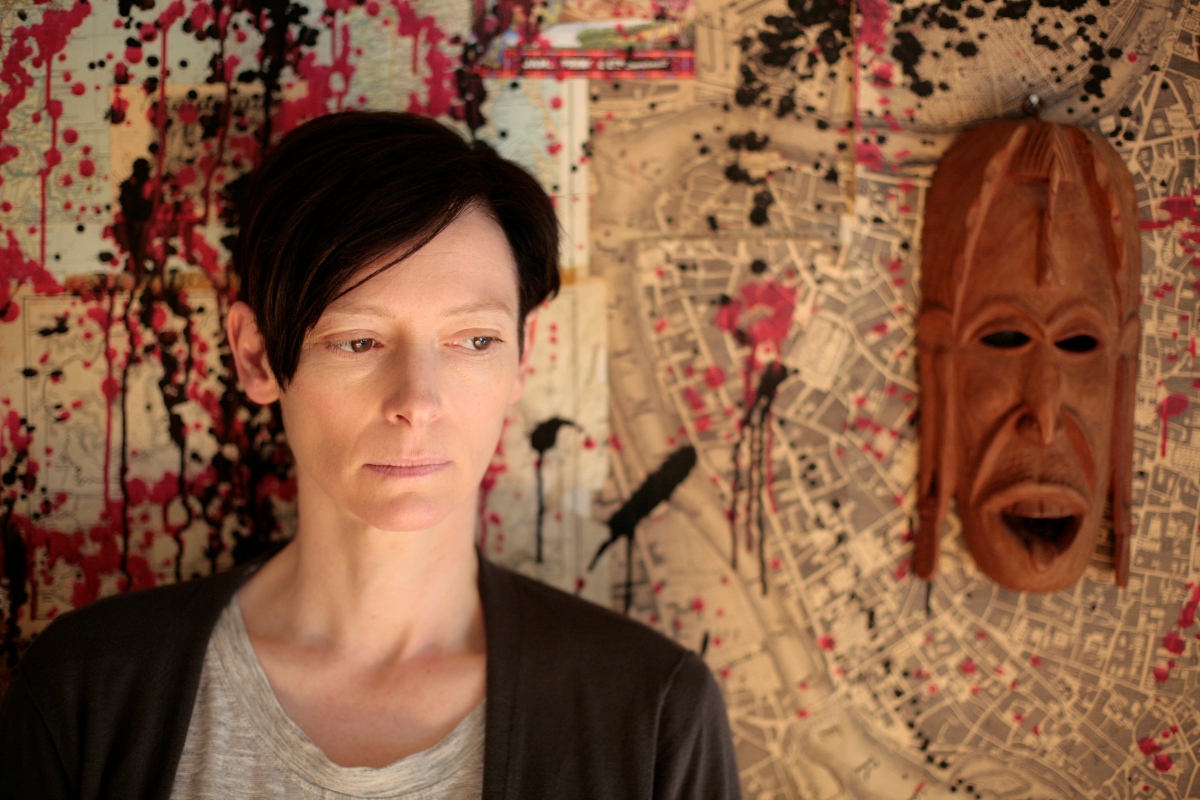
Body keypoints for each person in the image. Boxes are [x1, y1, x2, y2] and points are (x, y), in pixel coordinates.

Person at [0, 111, 741, 799]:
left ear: (523, 355)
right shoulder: (88, 691)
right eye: (358, 341)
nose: (418, 400)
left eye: (474, 340)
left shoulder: (653, 713)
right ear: (256, 355)